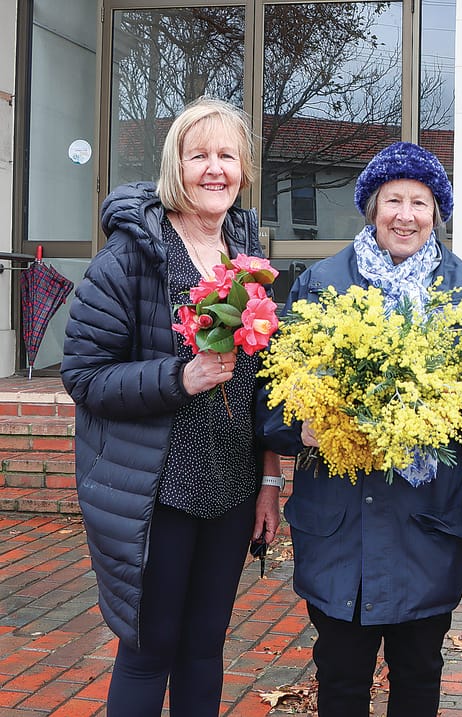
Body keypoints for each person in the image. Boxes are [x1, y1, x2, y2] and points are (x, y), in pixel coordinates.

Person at [256, 141, 462, 717]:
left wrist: (437, 410)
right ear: (371, 207)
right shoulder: (319, 283)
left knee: (418, 675)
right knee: (340, 677)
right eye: (393, 199)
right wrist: (304, 426)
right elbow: (271, 399)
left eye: (421, 201)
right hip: (340, 525)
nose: (406, 215)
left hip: (427, 523)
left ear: (437, 211)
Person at [60, 96, 281, 717]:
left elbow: (264, 384)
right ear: (174, 166)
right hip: (157, 489)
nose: (215, 169)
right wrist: (179, 377)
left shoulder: (246, 254)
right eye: (199, 155)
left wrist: (268, 477)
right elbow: (85, 376)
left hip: (231, 486)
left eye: (227, 156)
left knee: (206, 646)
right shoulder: (132, 256)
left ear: (243, 170)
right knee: (149, 647)